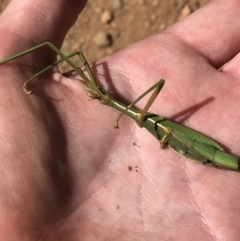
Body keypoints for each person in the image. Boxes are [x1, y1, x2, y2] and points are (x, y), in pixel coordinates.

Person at [0, 0, 240, 240]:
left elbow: (155, 85)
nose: (97, 95)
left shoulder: (130, 111)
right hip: (157, 126)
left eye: (99, 95)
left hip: (162, 127)